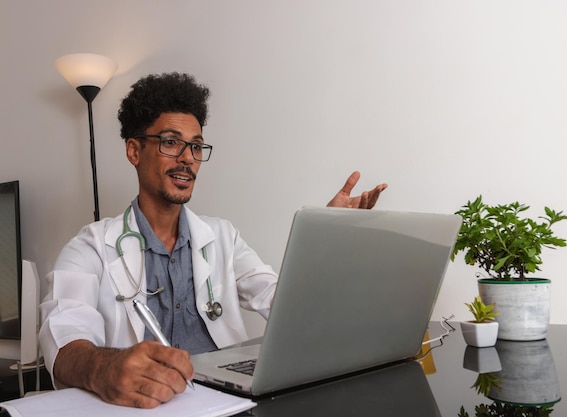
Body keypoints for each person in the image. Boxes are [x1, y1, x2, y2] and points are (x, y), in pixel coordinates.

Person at [38, 72, 387, 409]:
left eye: (196, 146)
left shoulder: (222, 237)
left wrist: (327, 235)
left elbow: (287, 305)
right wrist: (104, 368)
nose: (188, 158)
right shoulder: (91, 247)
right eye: (171, 142)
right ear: (134, 151)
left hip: (228, 405)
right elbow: (63, 337)